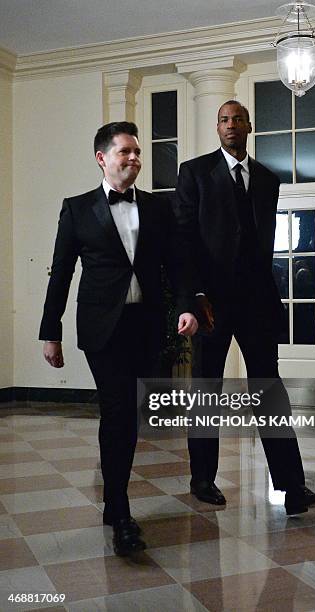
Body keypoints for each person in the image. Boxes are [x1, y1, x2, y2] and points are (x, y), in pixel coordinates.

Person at [39, 121, 198, 555]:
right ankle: (121, 511)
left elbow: (178, 263)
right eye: (125, 151)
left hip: (146, 326)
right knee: (118, 414)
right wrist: (49, 332)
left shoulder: (157, 208)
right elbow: (62, 274)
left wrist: (186, 305)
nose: (134, 159)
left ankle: (115, 502)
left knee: (132, 413)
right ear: (102, 158)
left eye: (137, 152)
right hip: (101, 329)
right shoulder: (76, 209)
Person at [174, 100, 315, 514]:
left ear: (249, 126)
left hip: (256, 301)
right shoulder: (194, 173)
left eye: (237, 119)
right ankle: (202, 479)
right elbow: (184, 240)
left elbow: (262, 244)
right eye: (224, 120)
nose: (231, 125)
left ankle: (292, 488)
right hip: (211, 302)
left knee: (269, 390)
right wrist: (194, 295)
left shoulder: (267, 179)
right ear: (218, 127)